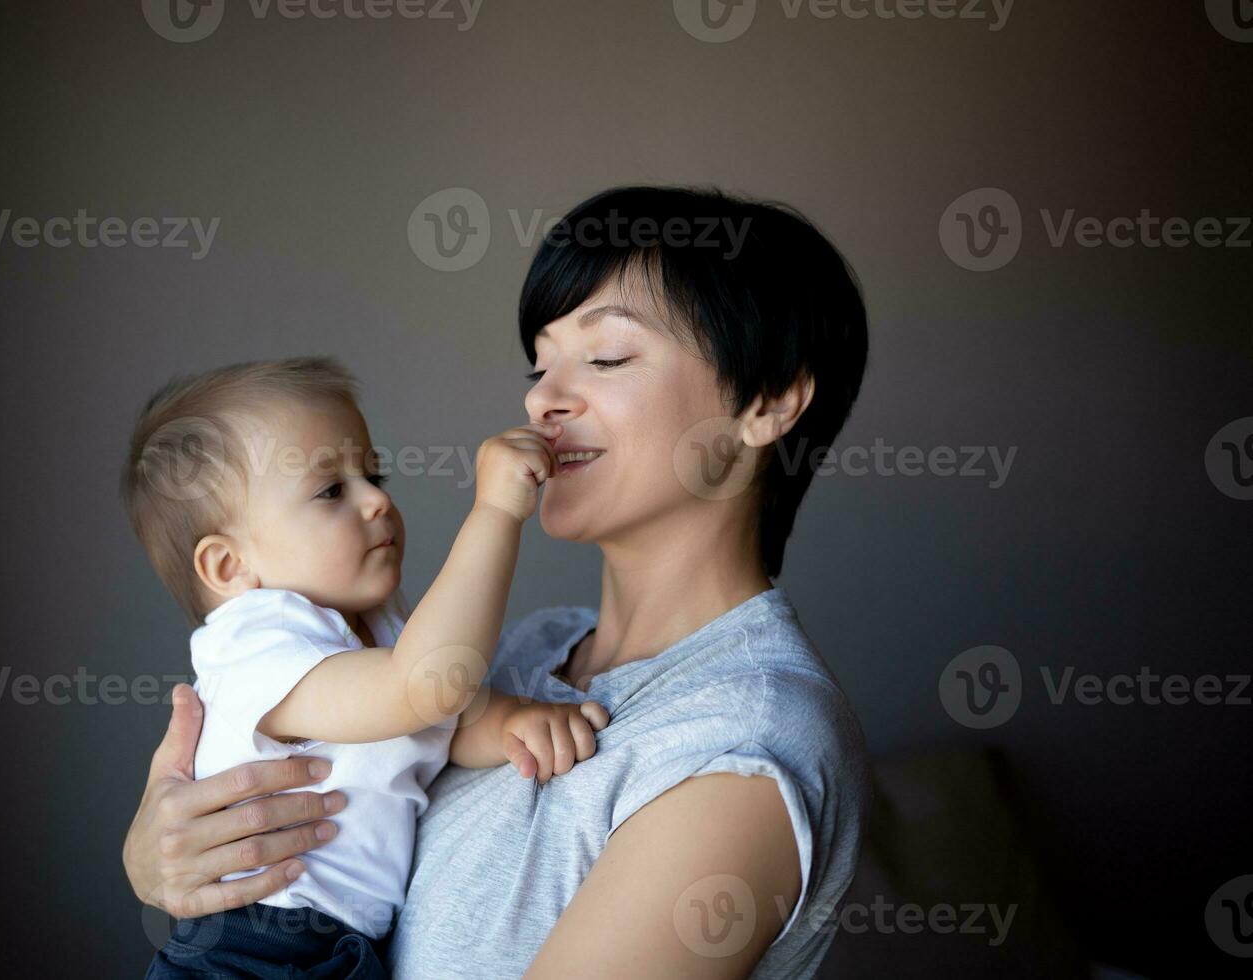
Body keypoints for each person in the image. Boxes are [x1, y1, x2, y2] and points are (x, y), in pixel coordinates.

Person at [123, 185, 872, 978]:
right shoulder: (533, 648)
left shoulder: (742, 741)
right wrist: (160, 855)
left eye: (607, 356)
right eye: (540, 363)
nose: (541, 399)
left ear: (769, 399)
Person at [120, 358, 607, 977]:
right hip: (253, 947)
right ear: (227, 567)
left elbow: (444, 719)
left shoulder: (374, 633)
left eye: (372, 474)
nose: (377, 499)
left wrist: (516, 722)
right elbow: (427, 689)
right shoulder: (255, 642)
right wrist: (495, 512)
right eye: (331, 490)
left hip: (343, 946)